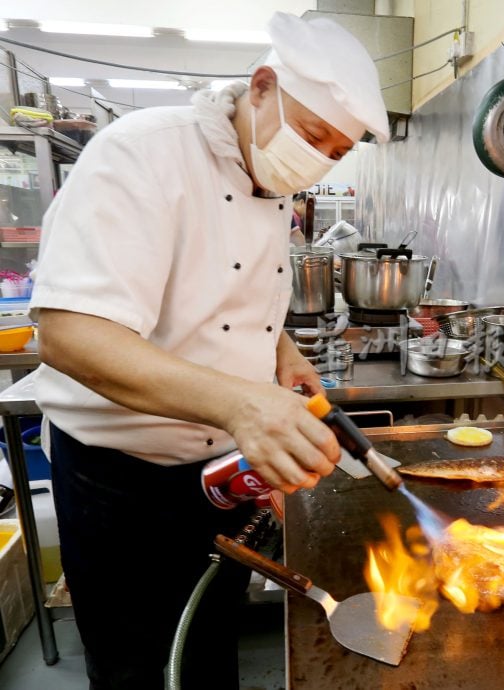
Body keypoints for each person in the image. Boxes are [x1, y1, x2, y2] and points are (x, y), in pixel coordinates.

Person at [28, 11, 389, 690]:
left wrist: (276, 348)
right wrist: (240, 403)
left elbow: (219, 288)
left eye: (337, 151)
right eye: (313, 135)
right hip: (120, 479)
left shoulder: (269, 177)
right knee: (137, 667)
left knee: (207, 649)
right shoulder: (141, 154)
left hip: (215, 473)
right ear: (260, 87)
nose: (317, 158)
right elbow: (70, 334)